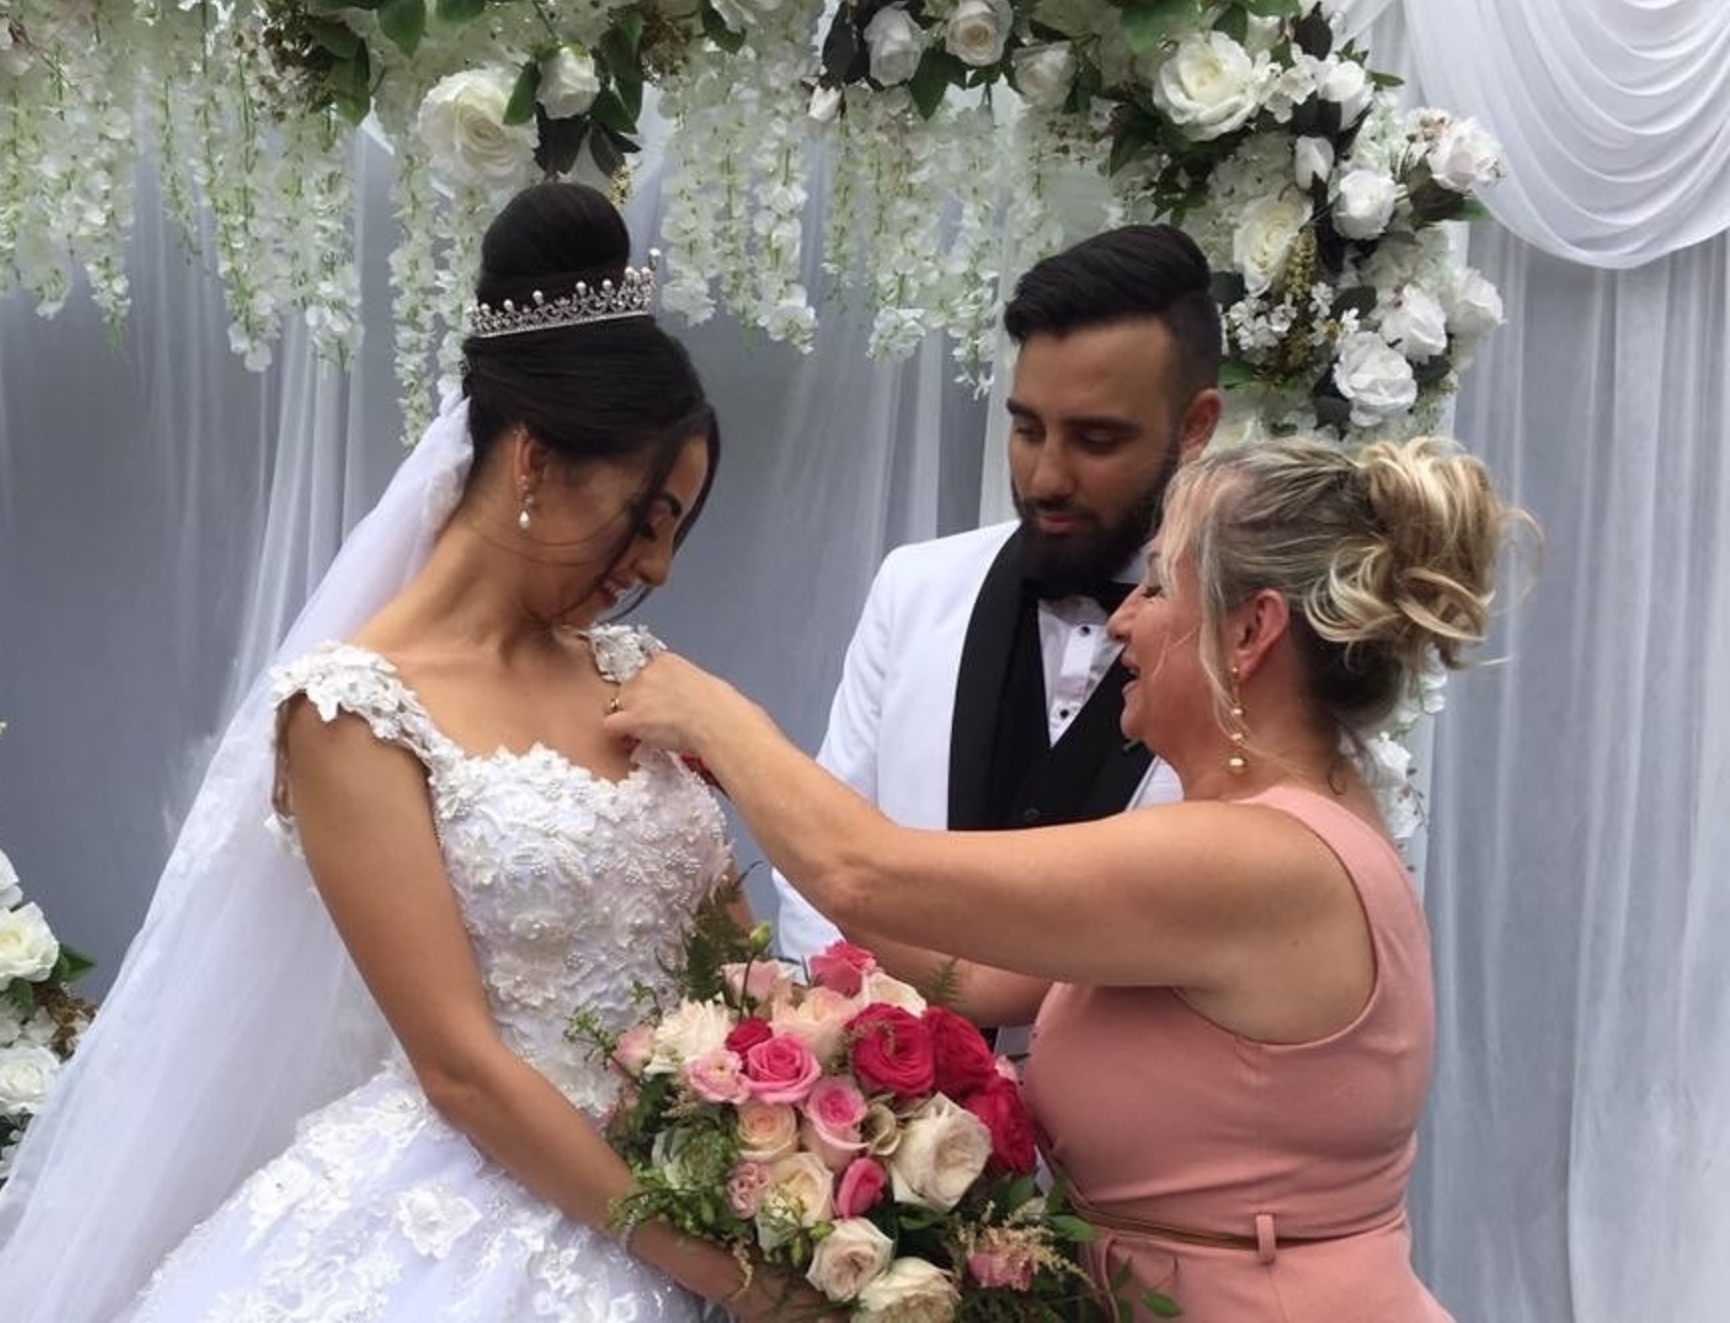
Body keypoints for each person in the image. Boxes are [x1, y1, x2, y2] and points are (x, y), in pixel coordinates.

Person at [0, 182, 803, 1322]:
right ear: (534, 462)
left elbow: (738, 968)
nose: (658, 568)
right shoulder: (353, 712)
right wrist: (726, 1277)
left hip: (703, 1186)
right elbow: (461, 1068)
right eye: (648, 517)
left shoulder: (638, 675)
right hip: (479, 1222)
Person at [606, 435, 1530, 1320]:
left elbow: (863, 870)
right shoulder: (1276, 835)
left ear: (1251, 630)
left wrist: (716, 715)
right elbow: (980, 977)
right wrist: (737, 801)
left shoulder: (1257, 858)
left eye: (1159, 584)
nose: (1125, 618)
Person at [772, 223, 1222, 968]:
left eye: (1096, 440)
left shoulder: (1249, 644)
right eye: (1027, 429)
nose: (1046, 477)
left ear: (1196, 425)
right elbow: (819, 861)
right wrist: (851, 1029)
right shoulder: (913, 588)